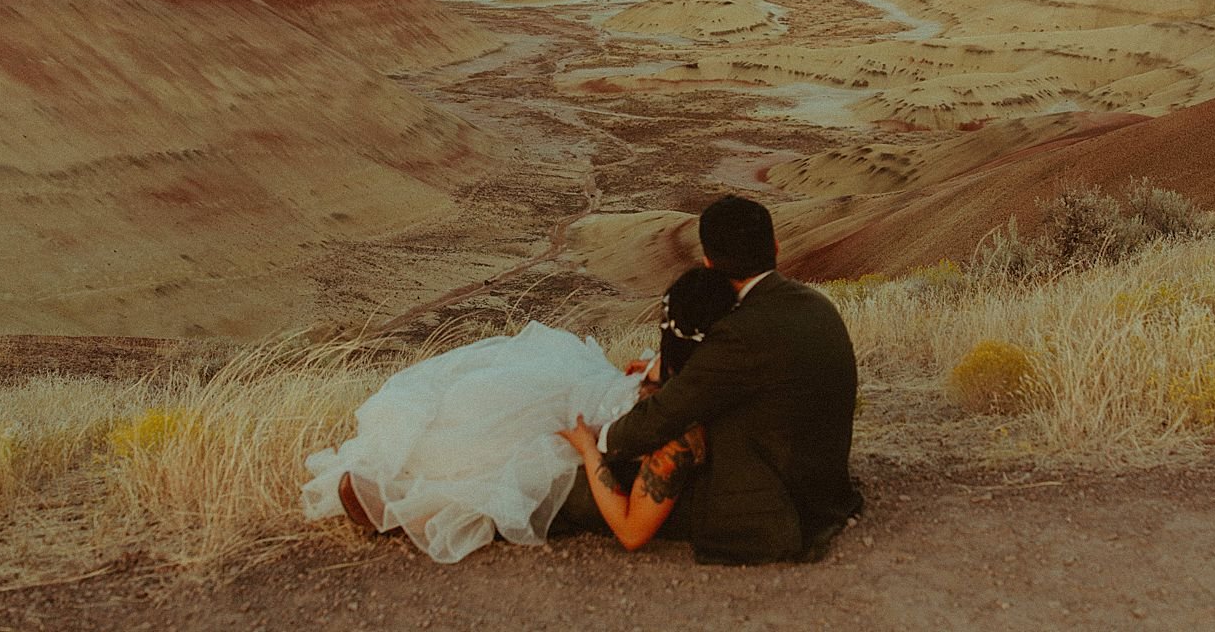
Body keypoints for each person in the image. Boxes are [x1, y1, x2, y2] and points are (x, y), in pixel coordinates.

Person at [302, 267, 738, 562]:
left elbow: (632, 532)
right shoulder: (706, 362)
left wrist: (589, 451)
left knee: (531, 456)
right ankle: (403, 475)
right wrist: (650, 371)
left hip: (605, 451)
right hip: (611, 401)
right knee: (504, 396)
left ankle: (416, 504)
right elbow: (676, 370)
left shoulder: (682, 432)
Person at [589, 194, 863, 565]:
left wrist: (598, 439)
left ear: (708, 262)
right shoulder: (817, 305)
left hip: (770, 514)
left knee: (594, 486)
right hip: (823, 494)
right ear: (776, 248)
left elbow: (661, 417)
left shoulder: (739, 332)